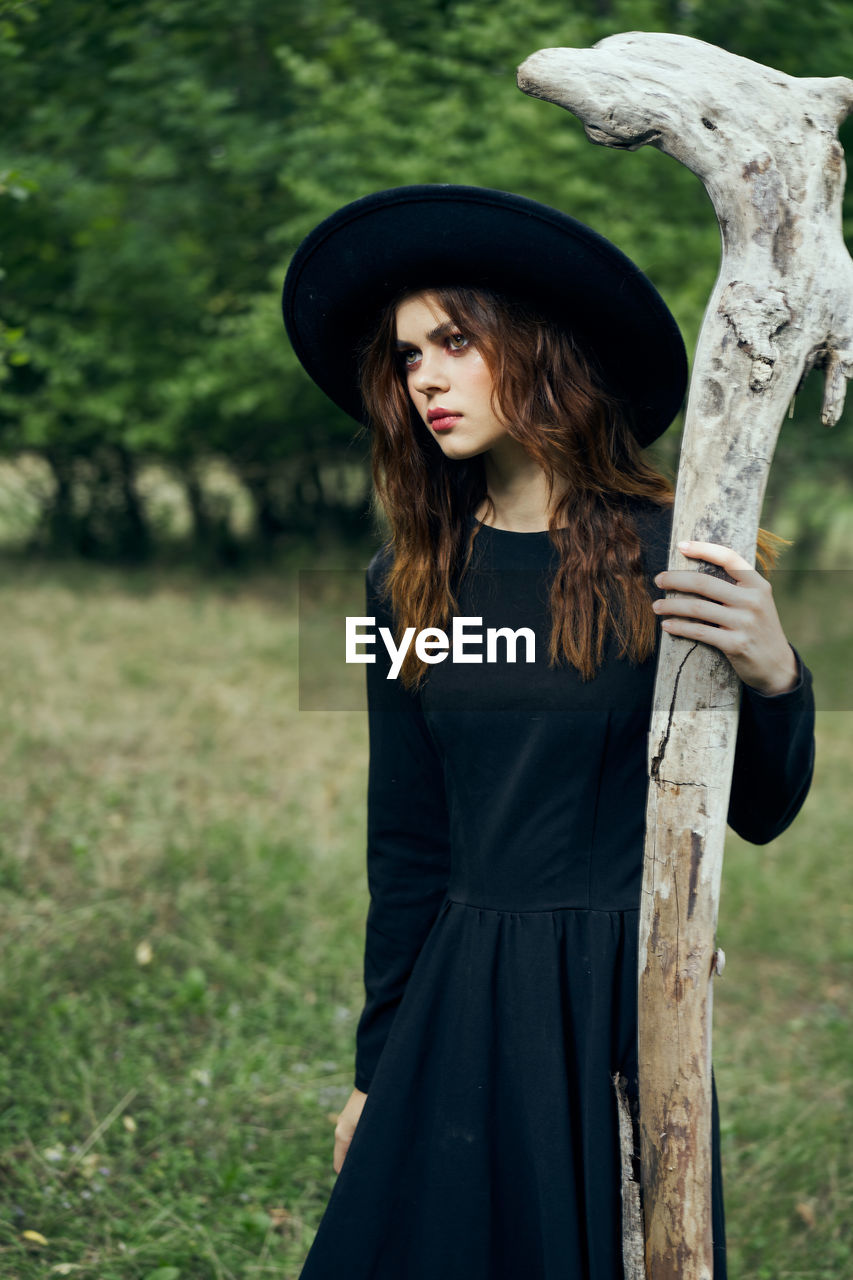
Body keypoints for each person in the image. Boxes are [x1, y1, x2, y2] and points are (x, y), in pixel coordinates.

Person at [282, 185, 816, 1280]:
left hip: (624, 1001)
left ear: (536, 350)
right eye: (406, 355)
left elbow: (760, 810)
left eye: (454, 341)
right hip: (459, 995)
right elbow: (407, 843)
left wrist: (774, 669)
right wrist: (373, 1067)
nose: (423, 375)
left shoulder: (680, 551)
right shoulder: (402, 583)